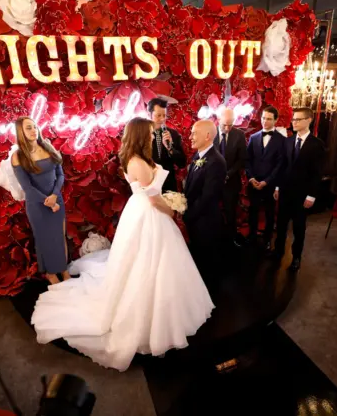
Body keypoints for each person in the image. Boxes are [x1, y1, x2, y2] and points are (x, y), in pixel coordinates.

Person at [31, 118, 214, 372]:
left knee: (152, 263)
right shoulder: (138, 162)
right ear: (140, 135)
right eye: (150, 134)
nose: (153, 137)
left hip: (139, 212)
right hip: (149, 214)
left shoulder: (134, 158)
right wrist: (173, 211)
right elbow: (153, 200)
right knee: (149, 263)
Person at [12, 117, 68, 285]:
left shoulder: (48, 147)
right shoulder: (18, 156)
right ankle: (51, 274)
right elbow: (27, 187)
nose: (33, 130)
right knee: (45, 239)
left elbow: (60, 175)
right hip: (37, 204)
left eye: (34, 127)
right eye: (28, 128)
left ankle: (64, 270)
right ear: (20, 132)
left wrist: (55, 195)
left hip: (56, 199)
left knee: (60, 237)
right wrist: (48, 201)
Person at [273, 107, 325, 271]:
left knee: (299, 228)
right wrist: (277, 186)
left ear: (308, 120)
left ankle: (296, 258)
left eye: (297, 119)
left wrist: (311, 196)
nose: (293, 122)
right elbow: (281, 167)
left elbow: (317, 173)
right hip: (285, 192)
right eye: (293, 119)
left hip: (302, 195)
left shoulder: (317, 145)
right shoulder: (288, 141)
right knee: (281, 225)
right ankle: (278, 252)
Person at [184, 120, 227, 281]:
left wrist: (188, 214)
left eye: (194, 133)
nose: (190, 137)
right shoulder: (199, 155)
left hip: (205, 222)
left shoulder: (216, 161)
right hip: (196, 220)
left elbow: (208, 196)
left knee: (206, 264)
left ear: (208, 136)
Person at [245, 106, 286, 248]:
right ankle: (252, 236)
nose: (265, 121)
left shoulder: (282, 140)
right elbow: (247, 160)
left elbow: (280, 165)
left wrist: (267, 181)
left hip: (270, 184)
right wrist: (250, 178)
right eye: (263, 118)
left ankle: (268, 239)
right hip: (254, 183)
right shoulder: (253, 137)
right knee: (253, 212)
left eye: (269, 119)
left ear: (275, 120)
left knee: (269, 214)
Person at [213, 108, 247, 245]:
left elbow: (241, 159)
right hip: (213, 181)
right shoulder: (211, 132)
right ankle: (215, 237)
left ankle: (232, 238)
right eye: (224, 125)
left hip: (231, 181)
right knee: (213, 211)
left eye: (230, 125)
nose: (227, 128)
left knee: (230, 212)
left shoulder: (239, 135)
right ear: (218, 119)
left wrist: (228, 174)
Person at [148, 98, 187, 192]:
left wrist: (170, 148)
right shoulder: (141, 134)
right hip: (148, 183)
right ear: (149, 115)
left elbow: (182, 163)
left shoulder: (173, 134)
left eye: (164, 115)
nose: (162, 119)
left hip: (168, 185)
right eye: (158, 115)